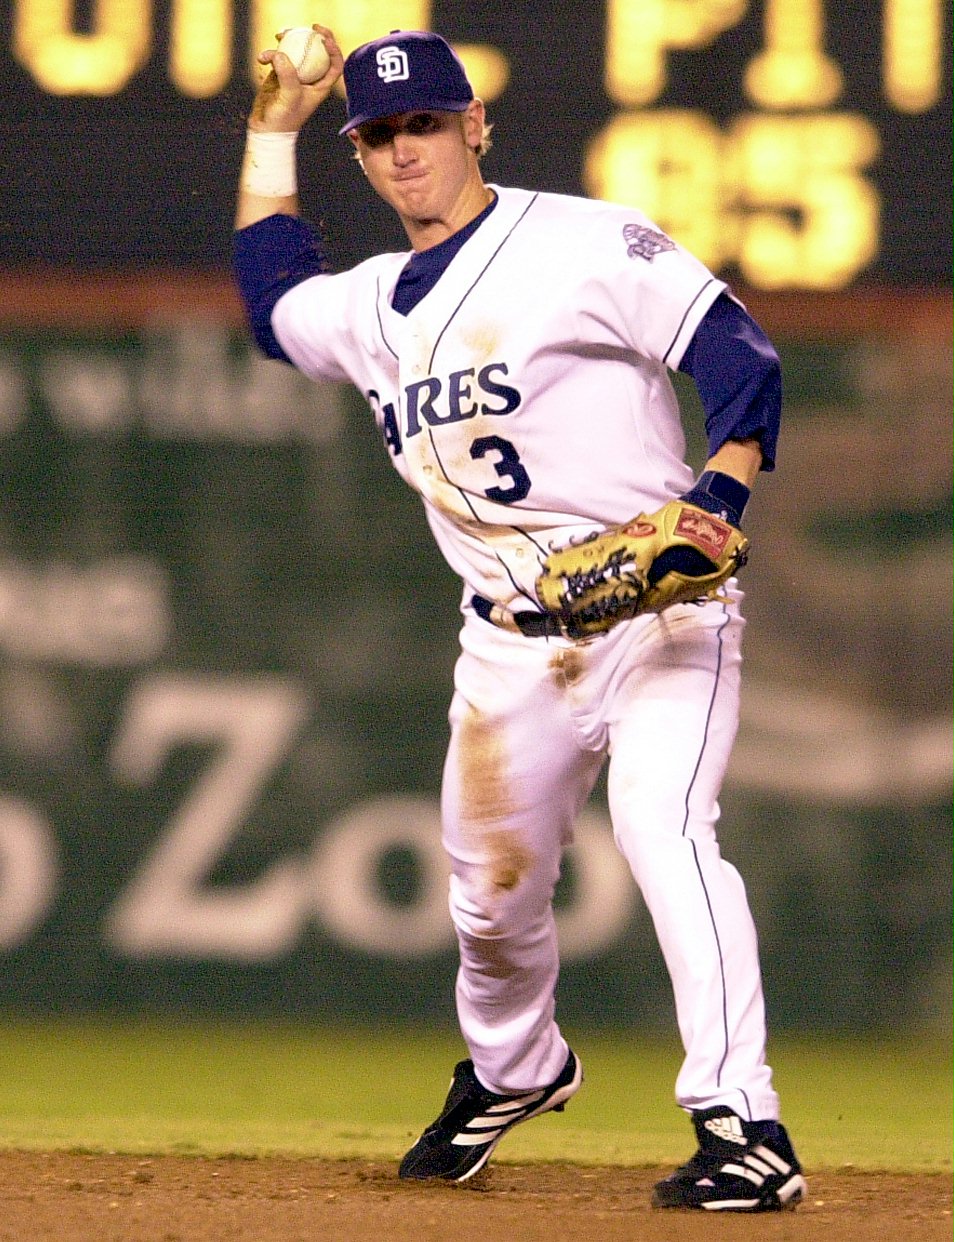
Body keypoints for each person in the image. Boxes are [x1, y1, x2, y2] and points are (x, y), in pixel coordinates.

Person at [232, 25, 807, 1212]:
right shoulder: (372, 307)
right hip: (508, 642)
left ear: (475, 123)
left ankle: (744, 1124)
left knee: (666, 828)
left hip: (663, 612)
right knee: (489, 904)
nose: (404, 152)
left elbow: (737, 353)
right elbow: (271, 302)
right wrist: (273, 132)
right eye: (380, 135)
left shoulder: (583, 242)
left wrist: (718, 491)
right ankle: (517, 1069)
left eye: (426, 125)